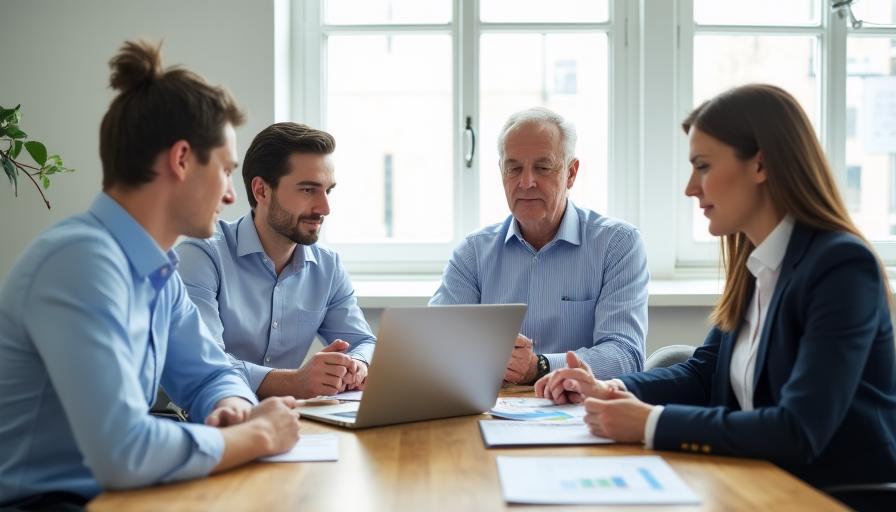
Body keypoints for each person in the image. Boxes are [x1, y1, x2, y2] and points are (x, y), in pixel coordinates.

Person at [536, 84, 896, 496]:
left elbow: (798, 429)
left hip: (830, 496)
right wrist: (613, 389)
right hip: (751, 484)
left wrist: (650, 422)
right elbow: (703, 373)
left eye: (703, 166)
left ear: (760, 165)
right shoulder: (757, 262)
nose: (691, 187)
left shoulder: (841, 268)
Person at [0, 41, 301, 509]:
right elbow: (124, 451)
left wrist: (231, 408)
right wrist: (258, 434)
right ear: (181, 160)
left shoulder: (157, 271)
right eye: (225, 171)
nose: (229, 196)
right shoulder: (80, 264)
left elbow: (209, 375)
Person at [430, 107, 648, 384]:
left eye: (543, 168)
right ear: (502, 173)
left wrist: (541, 367)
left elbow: (626, 355)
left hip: (579, 412)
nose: (526, 182)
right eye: (514, 168)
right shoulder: (473, 252)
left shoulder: (617, 245)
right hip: (492, 410)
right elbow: (434, 346)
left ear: (571, 173)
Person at [176, 123, 374, 399]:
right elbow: (203, 363)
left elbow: (364, 342)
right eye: (308, 190)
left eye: (328, 191)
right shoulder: (202, 254)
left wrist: (357, 365)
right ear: (261, 191)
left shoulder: (328, 267)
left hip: (288, 422)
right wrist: (295, 382)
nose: (324, 208)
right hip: (199, 420)